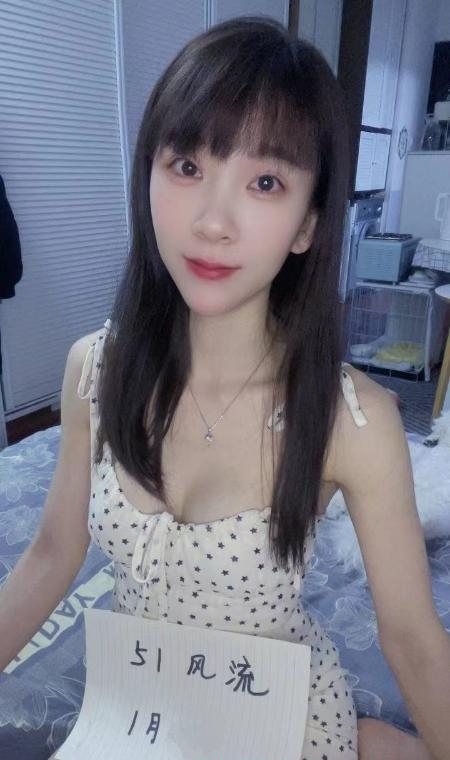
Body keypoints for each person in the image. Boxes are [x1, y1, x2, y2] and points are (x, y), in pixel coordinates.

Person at [1, 16, 449, 760]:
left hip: (279, 726)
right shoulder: (94, 369)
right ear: (148, 176)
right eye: (186, 166)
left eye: (265, 182)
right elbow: (51, 552)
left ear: (307, 225)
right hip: (142, 716)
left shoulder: (352, 420)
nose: (213, 222)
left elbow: (411, 638)